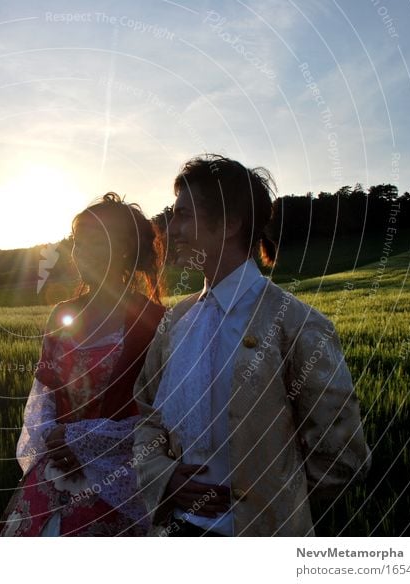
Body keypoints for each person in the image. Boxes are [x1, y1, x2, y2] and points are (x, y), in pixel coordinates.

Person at [132, 154, 371, 536]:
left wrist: (271, 504)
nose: (170, 229)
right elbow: (146, 415)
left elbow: (341, 455)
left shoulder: (298, 325)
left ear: (231, 223)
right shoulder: (174, 322)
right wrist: (165, 480)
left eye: (184, 215)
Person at [0, 192, 166, 536]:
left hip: (118, 478)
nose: (80, 250)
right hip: (55, 471)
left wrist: (83, 440)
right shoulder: (62, 313)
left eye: (94, 241)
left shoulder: (153, 320)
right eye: (78, 240)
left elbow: (161, 416)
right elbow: (43, 395)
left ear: (121, 249)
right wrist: (53, 440)